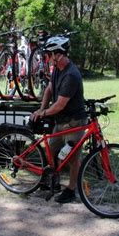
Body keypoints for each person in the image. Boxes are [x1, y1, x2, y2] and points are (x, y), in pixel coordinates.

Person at [30, 36, 87, 203]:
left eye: (49, 54)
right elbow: (49, 89)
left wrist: (43, 113)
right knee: (51, 150)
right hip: (60, 123)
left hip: (74, 123)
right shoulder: (57, 71)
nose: (47, 58)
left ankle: (71, 189)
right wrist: (42, 108)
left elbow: (60, 105)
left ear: (58, 54)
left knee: (71, 158)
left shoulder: (71, 75)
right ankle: (52, 182)